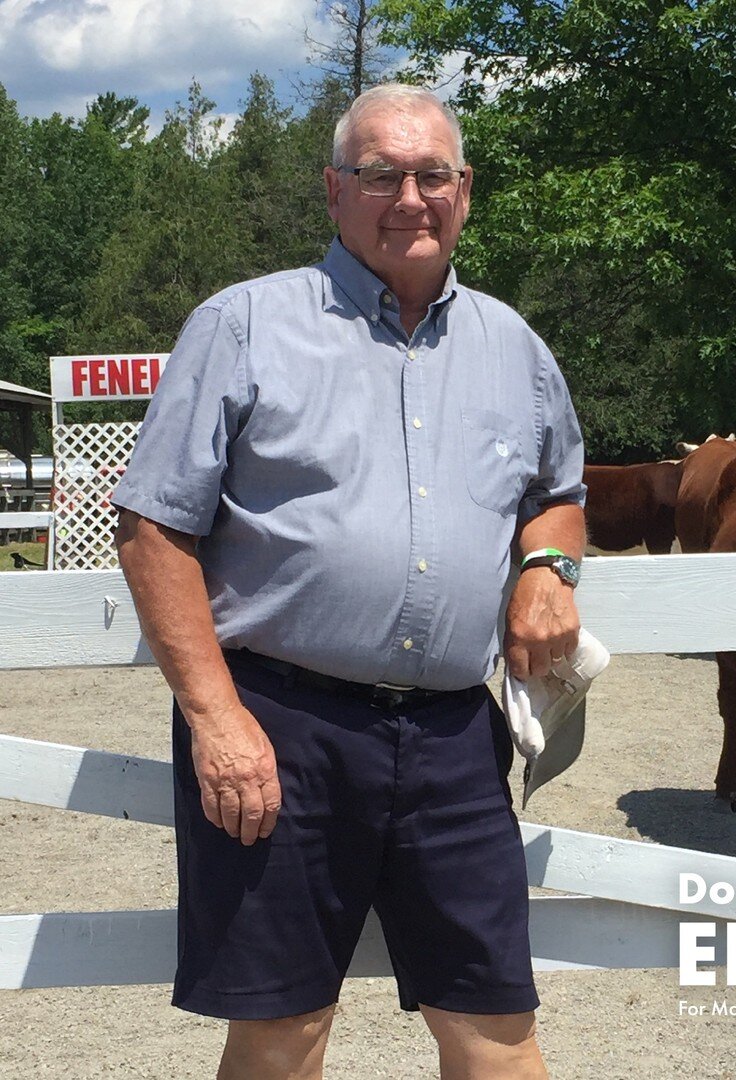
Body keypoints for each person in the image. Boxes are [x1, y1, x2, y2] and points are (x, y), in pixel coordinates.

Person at [111, 83, 586, 1080]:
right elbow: (153, 528)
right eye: (381, 175)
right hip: (282, 725)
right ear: (335, 191)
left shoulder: (516, 349)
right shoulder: (242, 326)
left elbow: (558, 492)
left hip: (458, 737)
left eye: (433, 175)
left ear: (467, 190)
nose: (410, 196)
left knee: (495, 1023)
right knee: (286, 1032)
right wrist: (215, 717)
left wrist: (547, 564)